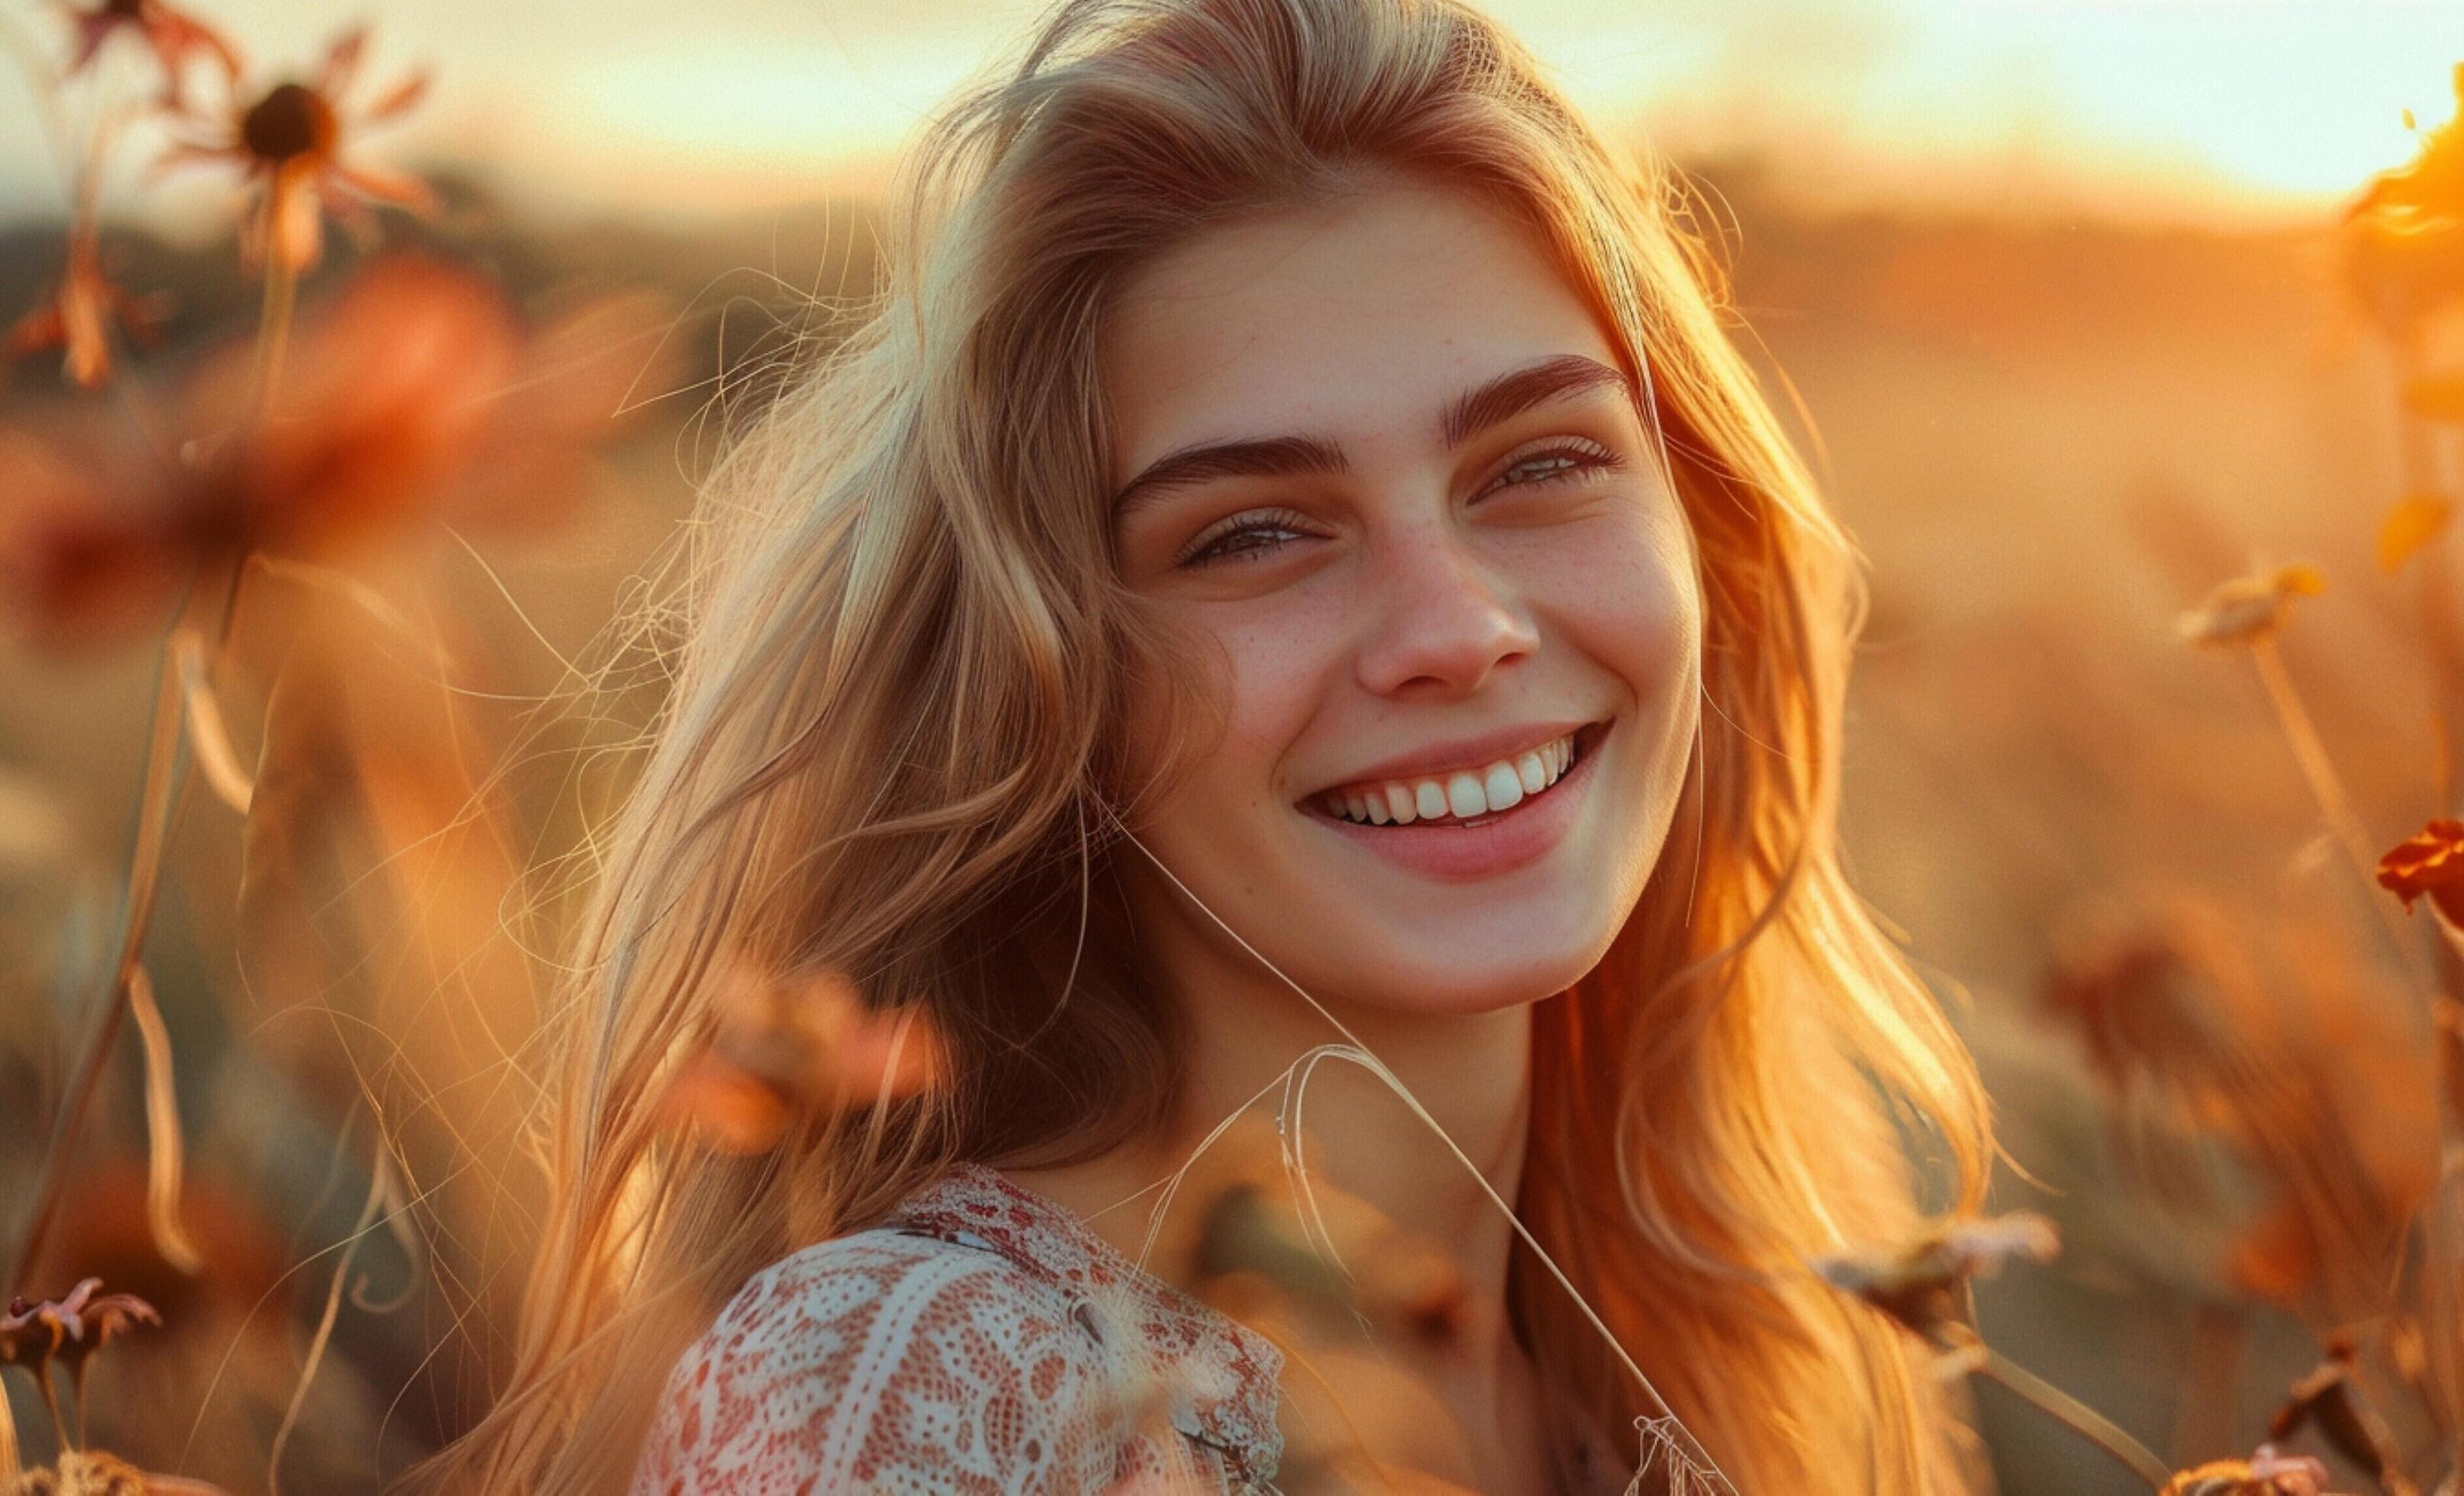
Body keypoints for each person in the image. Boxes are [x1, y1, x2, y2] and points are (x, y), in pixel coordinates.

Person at [421, 0, 1992, 1488]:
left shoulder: (1693, 1359)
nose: (1457, 626)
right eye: (1251, 532)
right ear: (1050, 678)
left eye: (1542, 461)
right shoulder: (921, 1394)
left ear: (1700, 534)